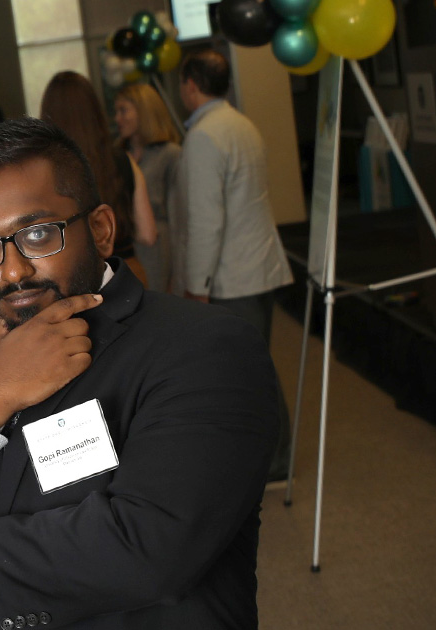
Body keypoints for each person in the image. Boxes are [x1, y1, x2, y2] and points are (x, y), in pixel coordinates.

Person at [0, 118, 280, 629]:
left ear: (103, 230)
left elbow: (149, 549)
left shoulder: (203, 347)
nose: (13, 269)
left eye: (38, 234)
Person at [178, 49, 295, 482]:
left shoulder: (206, 135)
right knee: (256, 364)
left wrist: (196, 284)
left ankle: (277, 459)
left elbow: (207, 220)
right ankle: (273, 455)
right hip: (259, 264)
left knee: (249, 369)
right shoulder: (241, 123)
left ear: (191, 85)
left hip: (233, 274)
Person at [41, 71, 156, 286]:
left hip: (70, 279)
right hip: (125, 275)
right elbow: (148, 234)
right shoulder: (123, 160)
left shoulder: (43, 170)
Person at [115, 83, 183, 294]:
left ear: (143, 110)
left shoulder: (170, 154)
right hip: (126, 249)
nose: (117, 118)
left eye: (123, 110)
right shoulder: (118, 155)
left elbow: (179, 214)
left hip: (158, 248)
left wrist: (179, 273)